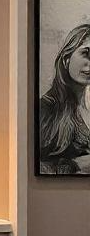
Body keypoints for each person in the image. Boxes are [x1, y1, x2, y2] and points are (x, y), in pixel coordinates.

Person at [39, 24, 90, 175]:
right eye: (86, 53)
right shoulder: (47, 109)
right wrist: (76, 165)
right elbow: (34, 166)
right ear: (66, 58)